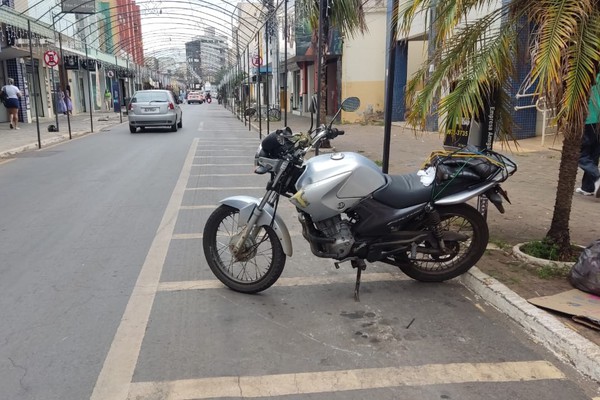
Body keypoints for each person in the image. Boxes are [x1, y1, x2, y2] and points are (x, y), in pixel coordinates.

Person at [576, 75, 600, 198]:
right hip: (597, 120)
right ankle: (588, 187)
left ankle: (597, 177)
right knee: (593, 155)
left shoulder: (589, 73)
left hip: (589, 118)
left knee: (578, 154)